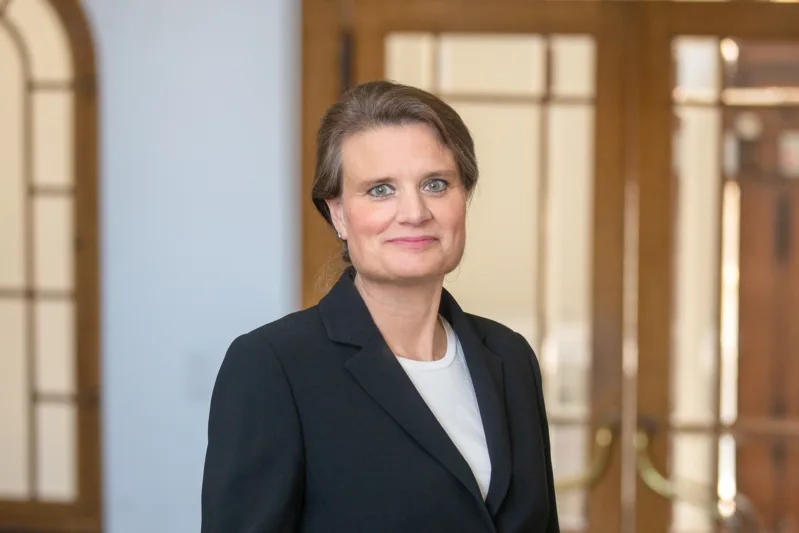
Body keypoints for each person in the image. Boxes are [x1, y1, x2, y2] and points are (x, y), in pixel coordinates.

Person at [200, 80, 559, 533]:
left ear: (463, 198)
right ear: (339, 215)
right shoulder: (274, 366)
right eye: (380, 190)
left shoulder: (510, 356)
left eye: (435, 184)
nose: (414, 212)